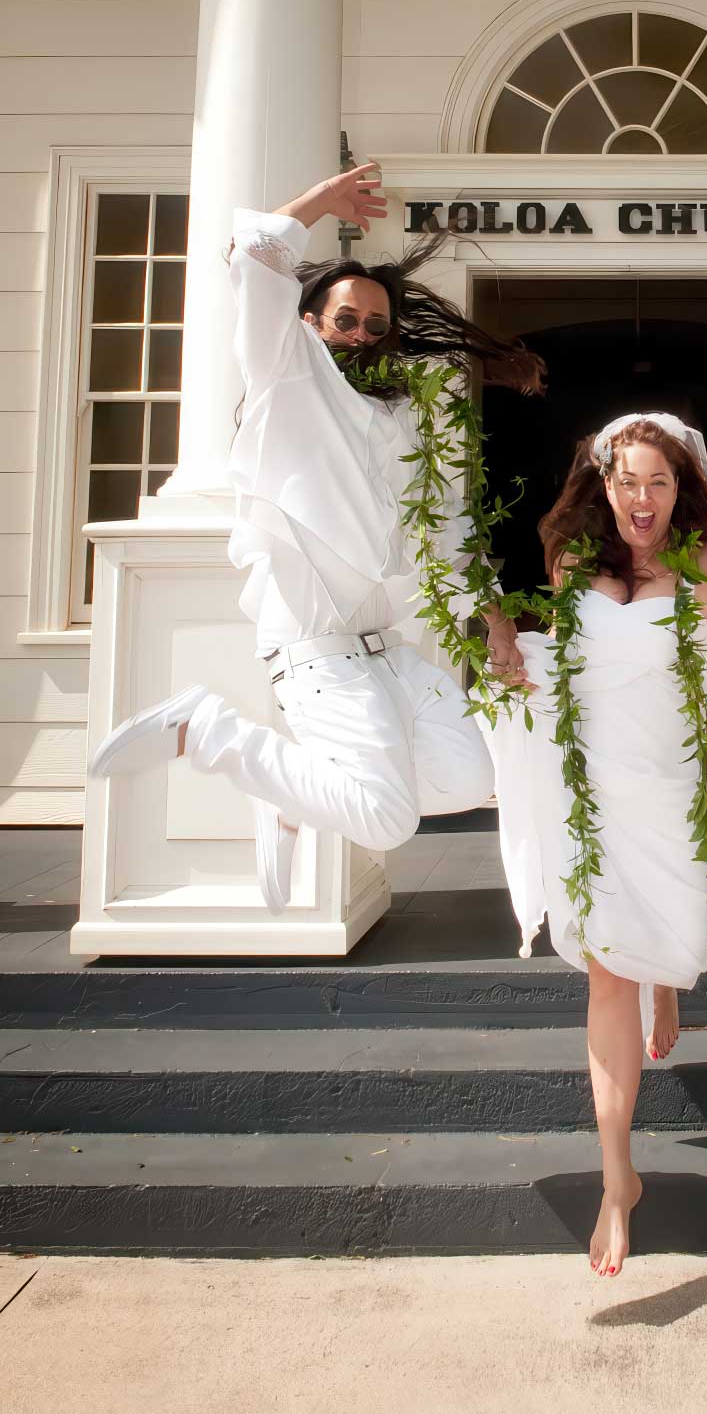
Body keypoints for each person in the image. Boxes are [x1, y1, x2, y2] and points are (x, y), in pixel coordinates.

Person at [87, 162, 543, 910]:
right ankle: (207, 730)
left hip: (388, 652)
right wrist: (322, 202)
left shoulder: (403, 417)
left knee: (470, 776)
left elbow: (449, 534)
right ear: (309, 322)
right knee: (388, 820)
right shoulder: (287, 376)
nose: (360, 335)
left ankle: (292, 793)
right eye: (345, 320)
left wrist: (496, 624)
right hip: (317, 652)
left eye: (375, 326)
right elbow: (257, 256)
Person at [491, 413, 707, 1278]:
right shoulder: (571, 563)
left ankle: (663, 983)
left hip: (670, 791)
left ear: (682, 489)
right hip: (595, 793)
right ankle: (616, 1177)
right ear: (605, 485)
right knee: (608, 973)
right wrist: (505, 649)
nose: (643, 498)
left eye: (659, 483)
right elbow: (567, 667)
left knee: (659, 937)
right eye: (628, 481)